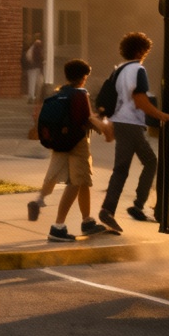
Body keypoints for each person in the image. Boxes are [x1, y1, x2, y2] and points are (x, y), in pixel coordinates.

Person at [27, 58, 114, 242]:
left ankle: (87, 220)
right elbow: (88, 119)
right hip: (78, 143)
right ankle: (58, 227)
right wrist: (105, 128)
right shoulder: (80, 94)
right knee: (75, 183)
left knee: (82, 182)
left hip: (61, 142)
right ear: (83, 77)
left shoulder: (60, 93)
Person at [97, 31, 169, 233]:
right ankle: (132, 206)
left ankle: (115, 208)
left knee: (122, 168)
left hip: (120, 122)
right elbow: (140, 100)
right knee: (149, 162)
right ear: (141, 50)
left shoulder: (119, 69)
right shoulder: (138, 70)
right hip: (130, 124)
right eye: (146, 50)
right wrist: (162, 115)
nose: (146, 53)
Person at [25, 33, 44, 103]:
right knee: (37, 82)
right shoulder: (38, 45)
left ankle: (31, 96)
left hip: (32, 66)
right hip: (36, 66)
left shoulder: (32, 46)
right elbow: (39, 56)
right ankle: (33, 97)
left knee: (32, 82)